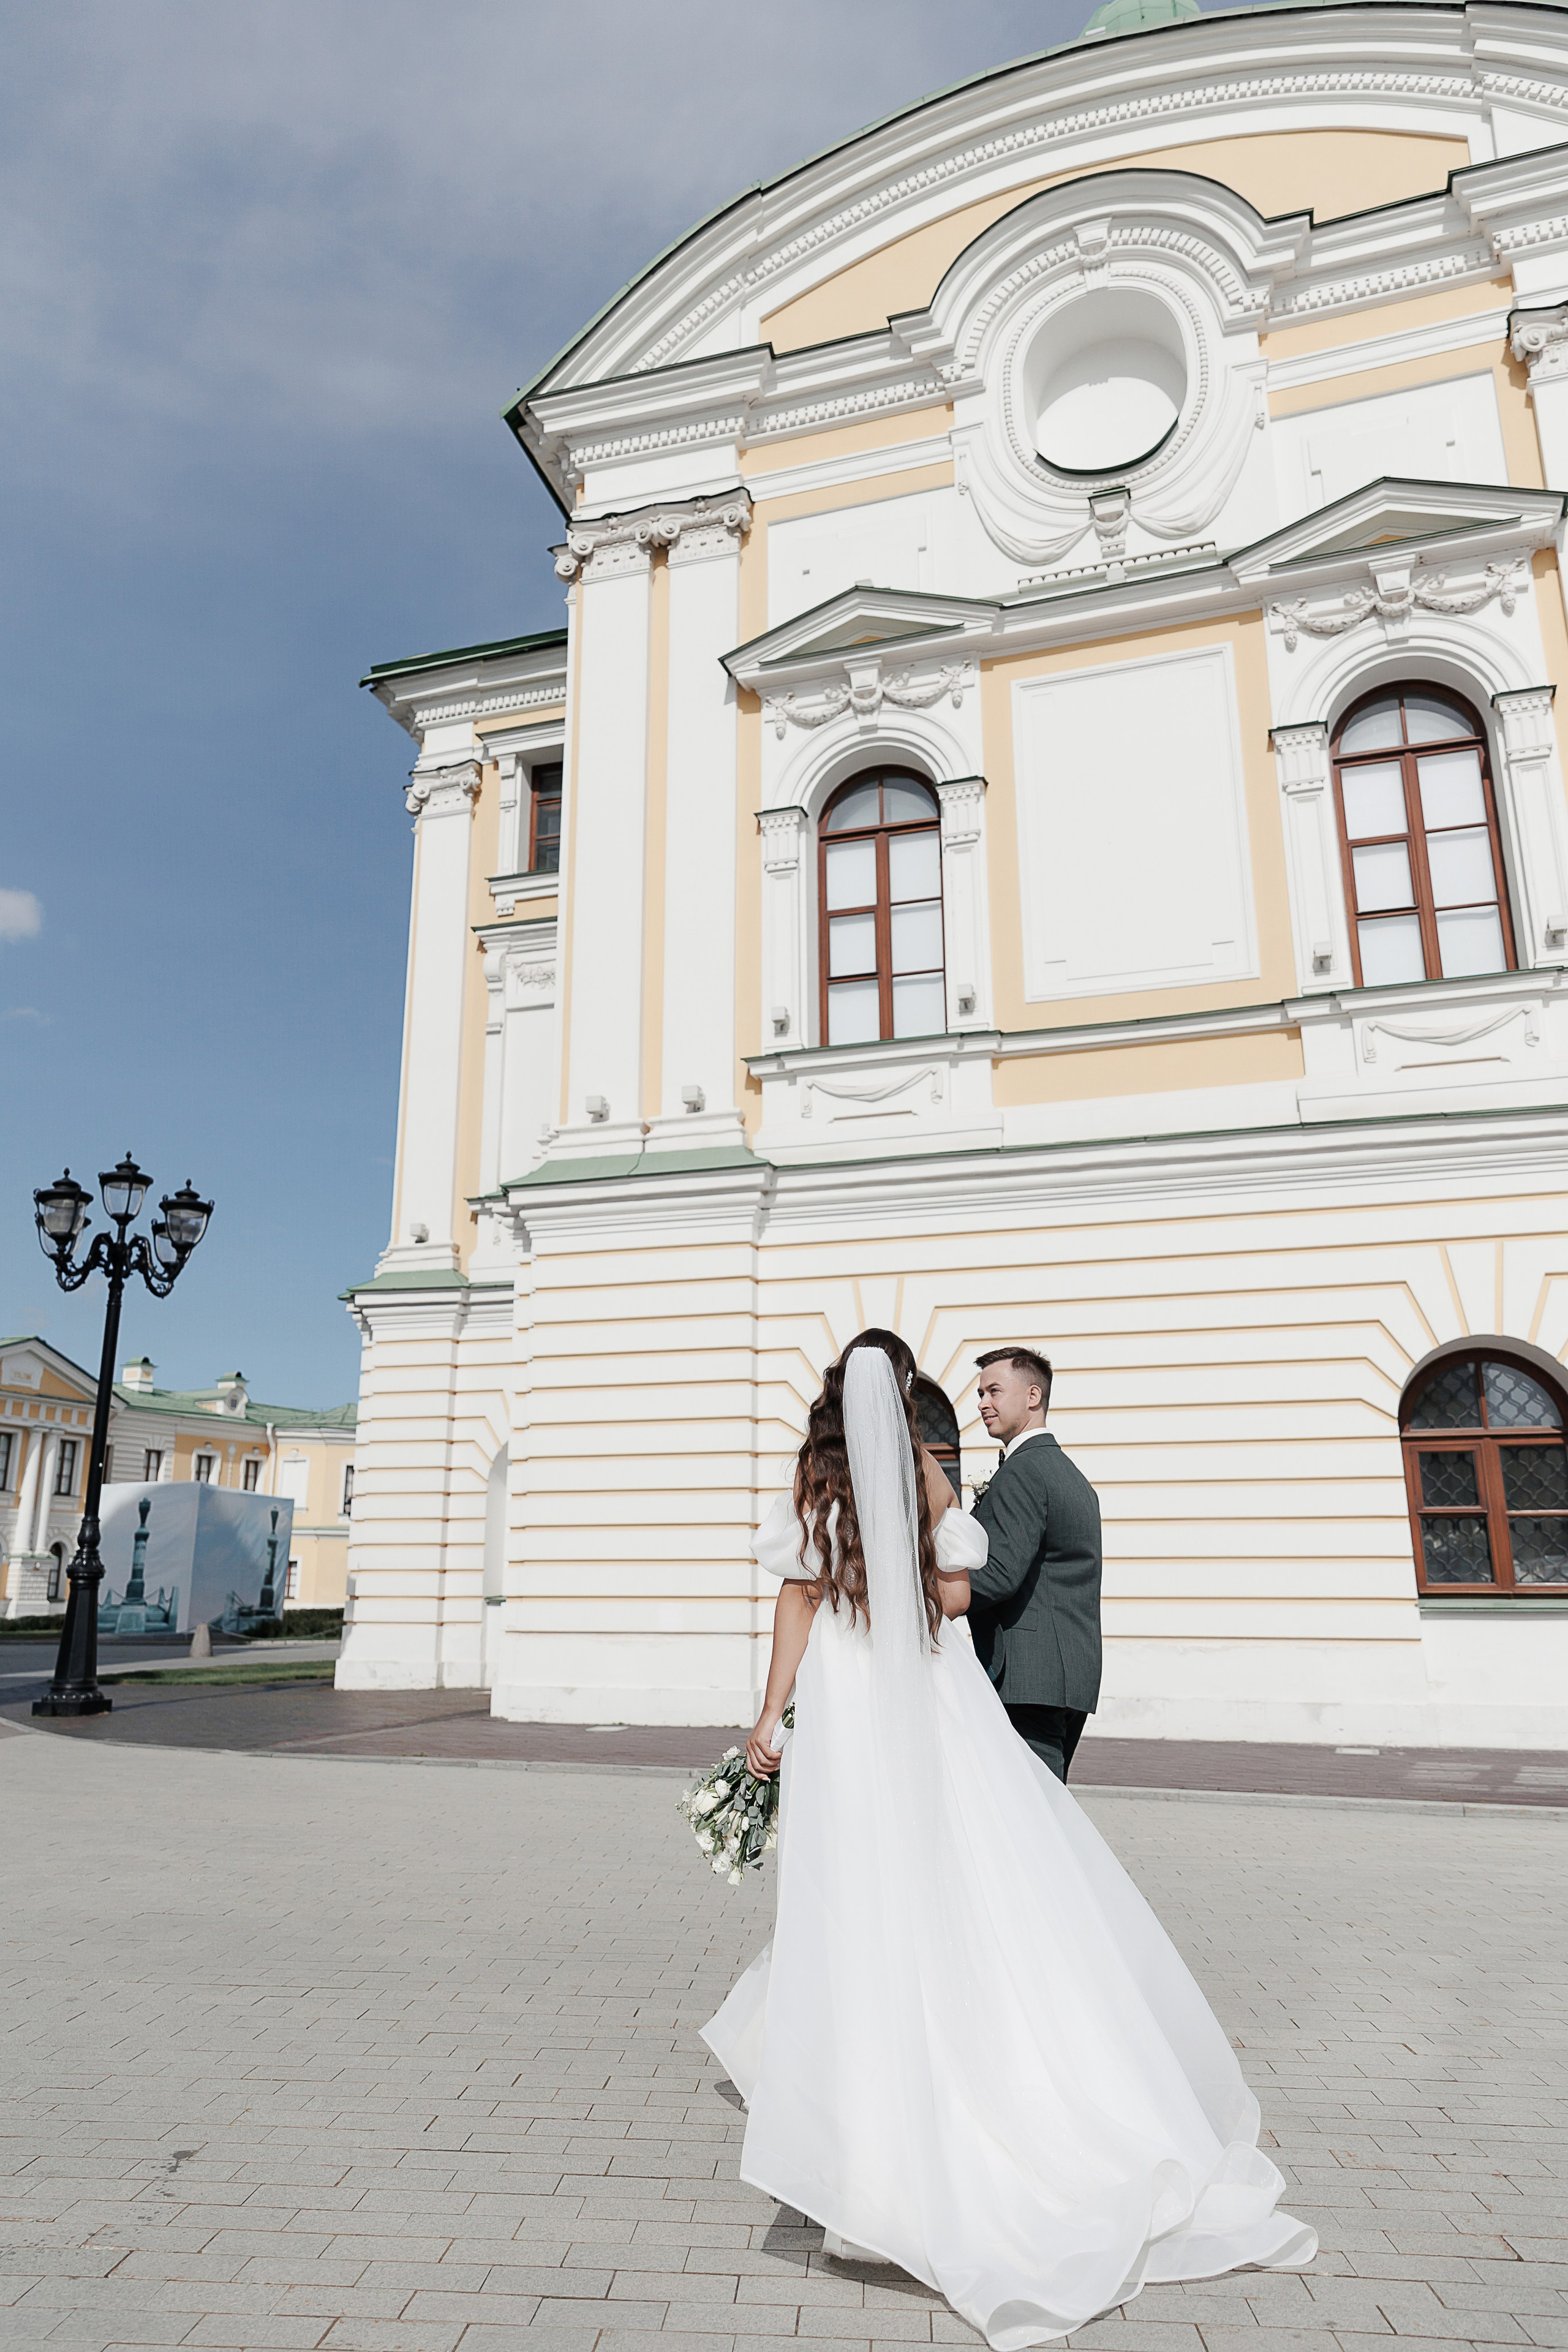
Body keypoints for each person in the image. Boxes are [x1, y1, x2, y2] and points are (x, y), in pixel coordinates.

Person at [703, 1328, 1314, 2352]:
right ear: (906, 1396)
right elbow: (954, 1596)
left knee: (856, 1905)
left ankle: (869, 2175)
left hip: (846, 1710)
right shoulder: (930, 1475)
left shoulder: (813, 1475)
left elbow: (796, 1598)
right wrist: (905, 1586)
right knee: (962, 1886)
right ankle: (981, 2109)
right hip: (931, 1699)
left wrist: (769, 1715)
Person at [968, 1346, 1099, 1782]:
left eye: (993, 1391)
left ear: (1032, 1395)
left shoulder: (1024, 1472)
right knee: (1045, 1812)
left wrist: (928, 1591)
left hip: (1027, 1674)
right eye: (981, 1393)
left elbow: (998, 1576)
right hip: (1068, 1672)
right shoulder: (1071, 1475)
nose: (983, 1403)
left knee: (1037, 1820)